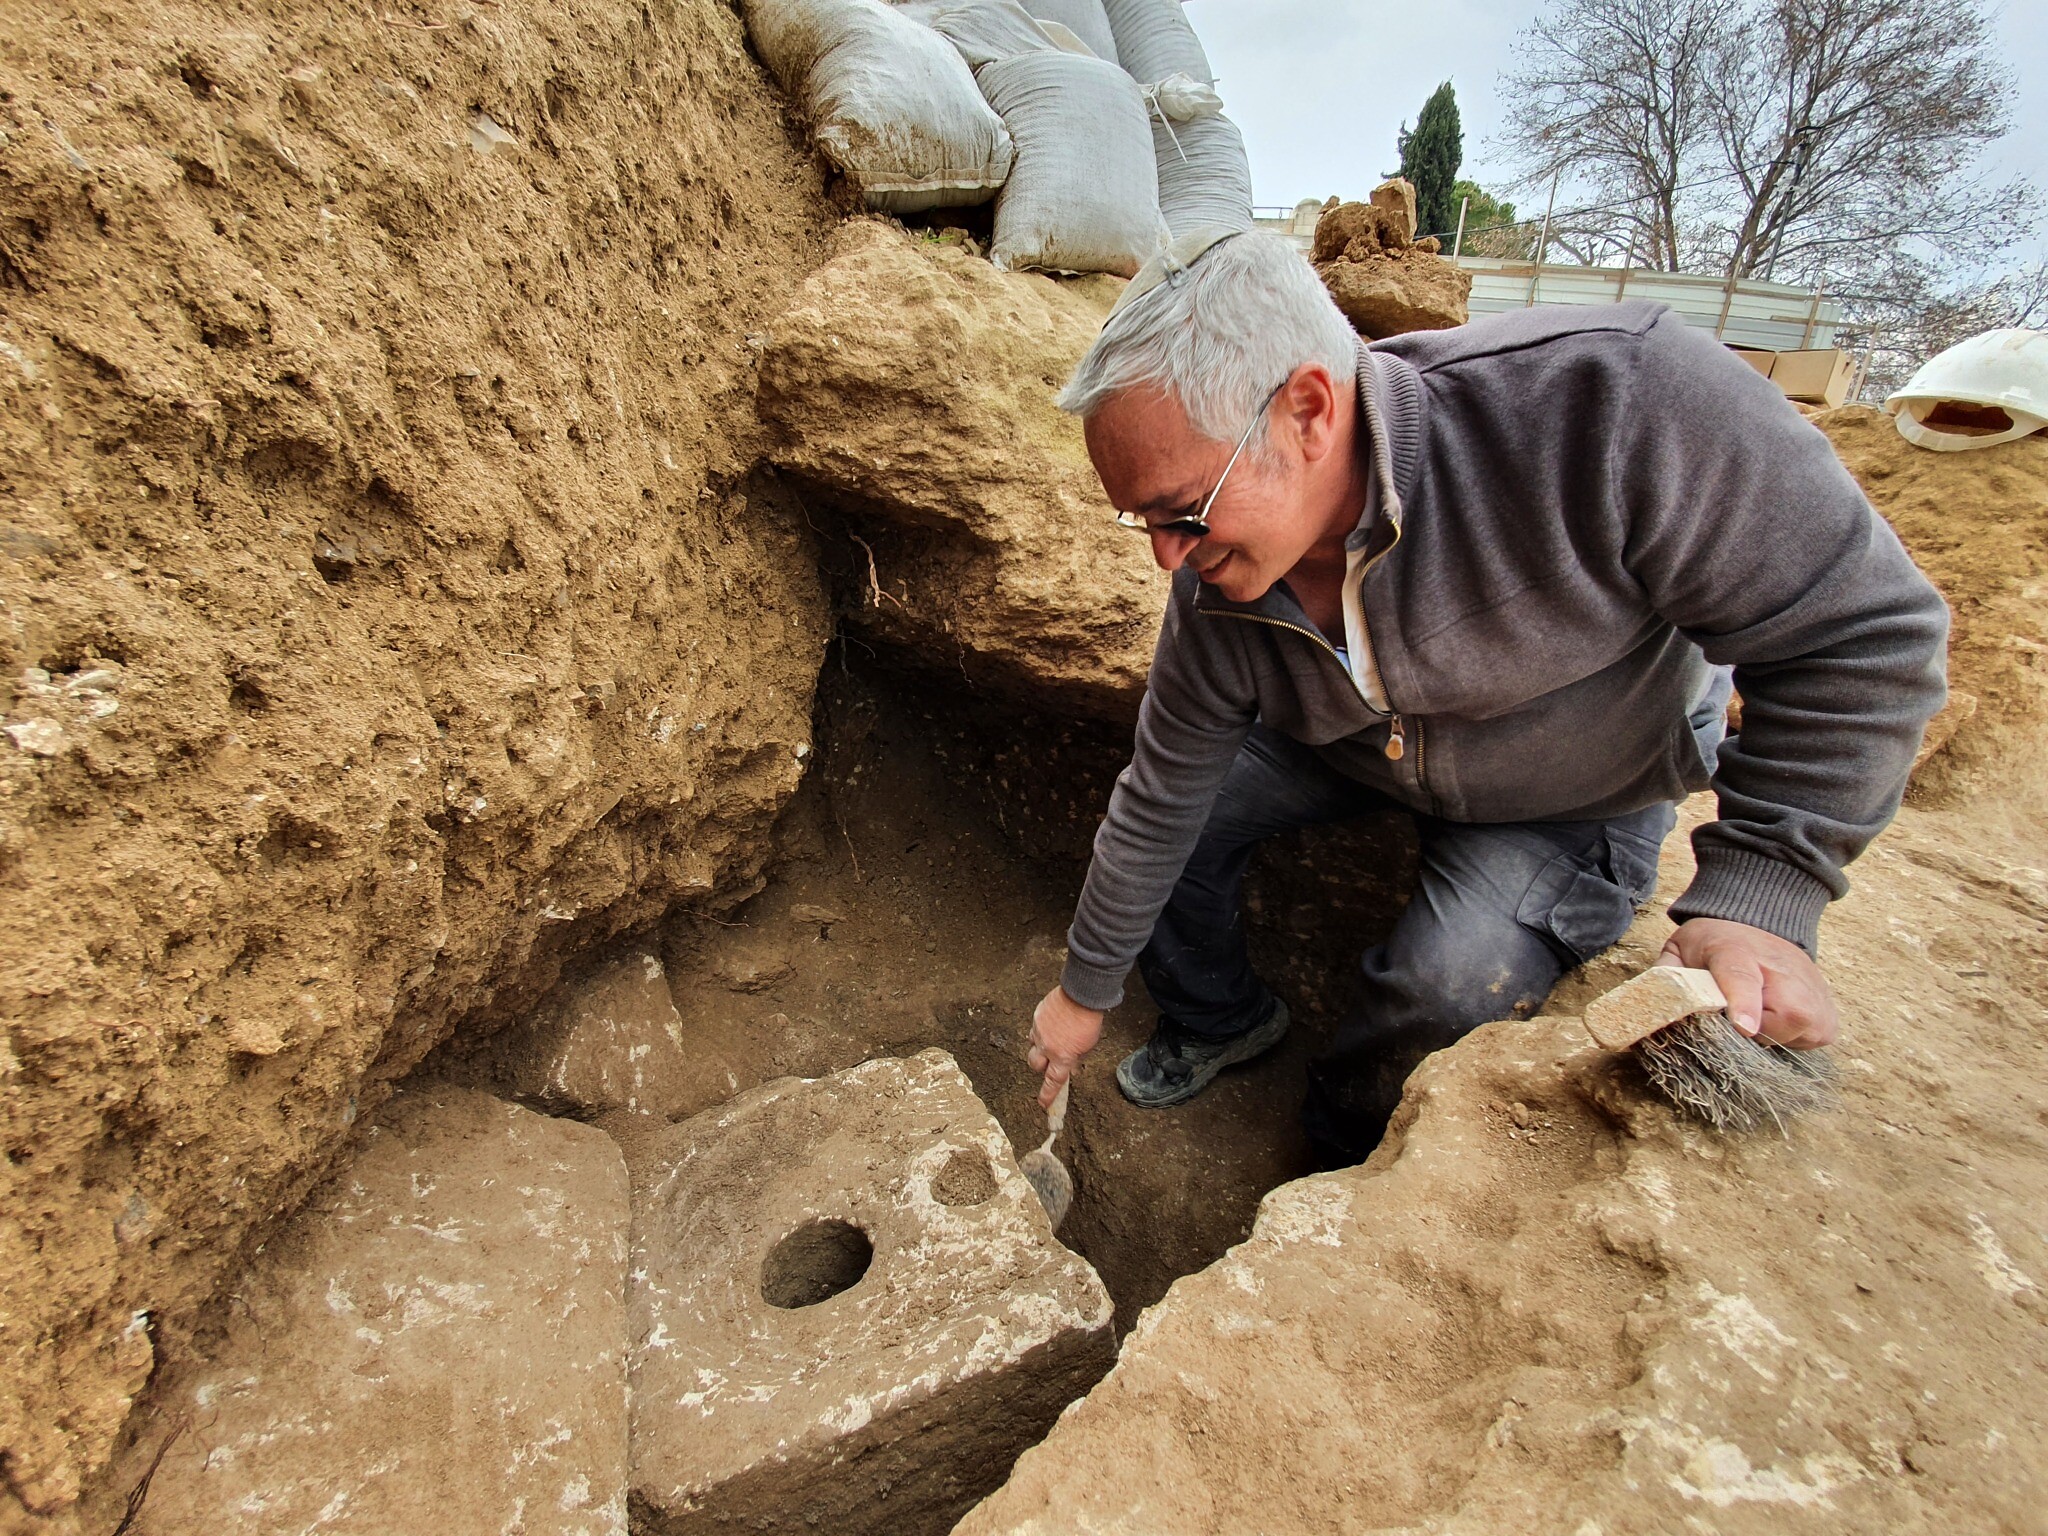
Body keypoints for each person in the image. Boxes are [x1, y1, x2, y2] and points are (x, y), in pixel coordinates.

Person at [1023, 229, 1948, 1167]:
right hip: (1349, 747)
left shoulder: (1618, 405)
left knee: (1445, 988)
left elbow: (1861, 634)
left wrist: (1761, 896)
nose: (1166, 558)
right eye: (1142, 520)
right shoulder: (1217, 579)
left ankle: (1340, 1164)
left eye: (1183, 511)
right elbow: (1162, 794)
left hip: (1574, 791)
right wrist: (1083, 993)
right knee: (1189, 828)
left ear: (1307, 410)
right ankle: (1222, 1018)